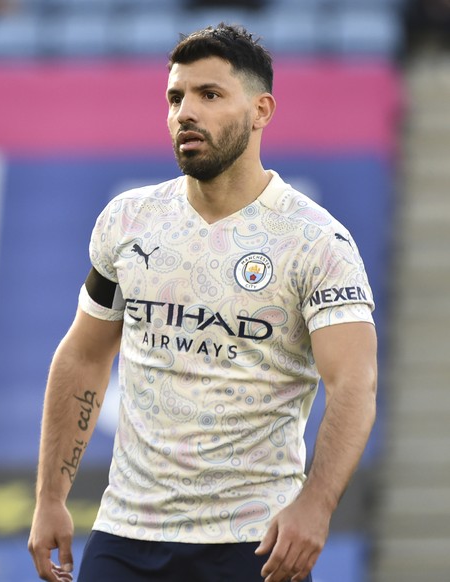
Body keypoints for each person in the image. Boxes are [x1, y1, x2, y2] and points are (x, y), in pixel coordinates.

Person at [28, 23, 378, 582]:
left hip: (252, 542)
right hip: (126, 534)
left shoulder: (317, 242)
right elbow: (84, 356)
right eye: (175, 97)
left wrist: (316, 504)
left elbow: (355, 385)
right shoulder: (129, 221)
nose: (185, 112)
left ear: (261, 110)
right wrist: (51, 496)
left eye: (209, 95)